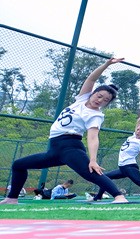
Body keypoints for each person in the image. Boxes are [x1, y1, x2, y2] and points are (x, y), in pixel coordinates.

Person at [2, 57, 128, 205]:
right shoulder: (81, 100)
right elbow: (91, 79)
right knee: (19, 164)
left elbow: (93, 138)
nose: (100, 100)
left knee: (90, 172)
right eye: (99, 96)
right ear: (93, 93)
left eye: (105, 100)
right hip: (54, 149)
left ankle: (119, 196)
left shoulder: (95, 115)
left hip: (70, 147)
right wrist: (106, 64)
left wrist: (93, 160)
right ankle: (12, 198)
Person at [92, 104, 140, 201]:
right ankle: (98, 196)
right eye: (138, 130)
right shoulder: (134, 136)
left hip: (130, 167)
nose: (138, 132)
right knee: (105, 178)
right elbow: (139, 121)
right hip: (122, 167)